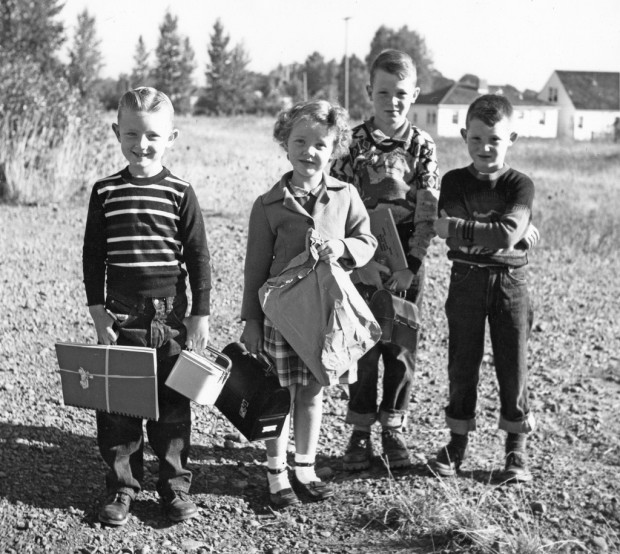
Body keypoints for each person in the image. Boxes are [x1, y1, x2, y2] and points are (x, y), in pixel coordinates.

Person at [83, 87, 211, 525]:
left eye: (153, 136)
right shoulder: (105, 192)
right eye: (132, 134)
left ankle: (174, 487)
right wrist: (98, 310)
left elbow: (198, 257)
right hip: (121, 316)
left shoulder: (180, 192)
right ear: (117, 132)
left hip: (170, 316)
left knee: (172, 407)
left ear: (171, 137)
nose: (142, 144)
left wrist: (201, 313)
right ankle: (122, 487)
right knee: (119, 407)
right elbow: (93, 255)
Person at [240, 100, 377, 509]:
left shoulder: (346, 195)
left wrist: (343, 247)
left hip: (325, 319)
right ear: (285, 143)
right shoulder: (268, 205)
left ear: (334, 148)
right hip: (280, 319)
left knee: (313, 394)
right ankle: (276, 471)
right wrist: (250, 321)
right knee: (279, 397)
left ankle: (305, 467)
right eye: (299, 140)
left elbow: (367, 242)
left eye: (320, 143)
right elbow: (254, 269)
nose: (309, 151)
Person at [331, 49, 440, 471]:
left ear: (413, 94)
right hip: (362, 259)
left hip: (407, 262)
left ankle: (393, 427)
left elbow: (428, 210)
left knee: (400, 345)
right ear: (368, 92)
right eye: (383, 93)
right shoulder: (354, 143)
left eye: (400, 94)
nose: (391, 102)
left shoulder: (421, 145)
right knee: (363, 345)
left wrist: (411, 262)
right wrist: (356, 261)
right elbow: (338, 202)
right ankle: (359, 433)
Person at [432, 93, 538, 482]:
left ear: (512, 139)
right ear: (463, 136)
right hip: (466, 281)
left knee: (514, 364)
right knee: (462, 363)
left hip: (511, 284)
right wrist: (501, 235)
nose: (484, 147)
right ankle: (456, 443)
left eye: (494, 139)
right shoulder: (455, 181)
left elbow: (506, 234)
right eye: (476, 139)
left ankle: (516, 449)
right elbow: (458, 239)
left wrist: (500, 235)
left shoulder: (519, 185)